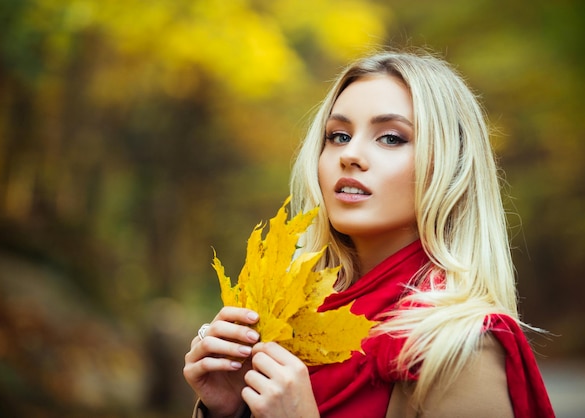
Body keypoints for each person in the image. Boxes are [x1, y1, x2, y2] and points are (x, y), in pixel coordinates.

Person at [183, 50, 555, 418]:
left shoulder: (462, 346)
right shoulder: (285, 326)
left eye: (391, 138)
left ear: (449, 168)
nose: (350, 155)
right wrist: (232, 412)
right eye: (339, 135)